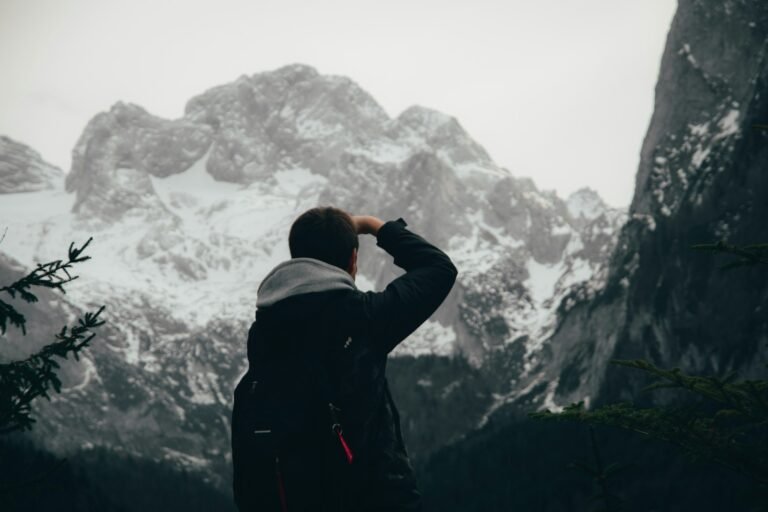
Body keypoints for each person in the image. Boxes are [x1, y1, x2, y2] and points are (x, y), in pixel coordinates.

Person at [231, 206, 458, 511]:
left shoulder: (264, 328)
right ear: (353, 260)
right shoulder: (364, 317)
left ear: (295, 257)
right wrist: (374, 226)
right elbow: (439, 269)